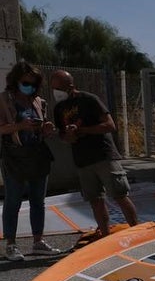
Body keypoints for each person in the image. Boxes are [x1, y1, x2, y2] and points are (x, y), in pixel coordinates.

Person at [49, 70, 138, 238]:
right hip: (82, 161)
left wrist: (83, 130)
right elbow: (62, 135)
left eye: (59, 88)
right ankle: (105, 236)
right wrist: (69, 136)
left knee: (119, 196)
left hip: (103, 156)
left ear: (70, 86)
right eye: (54, 88)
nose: (56, 92)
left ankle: (137, 232)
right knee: (95, 201)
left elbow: (110, 125)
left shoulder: (89, 99)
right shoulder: (59, 108)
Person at [0, 61, 60, 261]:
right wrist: (19, 126)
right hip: (14, 156)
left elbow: (42, 127)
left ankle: (38, 241)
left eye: (33, 84)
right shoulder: (4, 100)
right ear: (16, 81)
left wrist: (46, 128)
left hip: (37, 154)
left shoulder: (38, 101)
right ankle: (11, 244)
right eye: (26, 83)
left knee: (38, 201)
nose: (30, 87)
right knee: (13, 201)